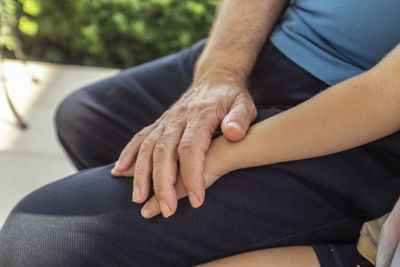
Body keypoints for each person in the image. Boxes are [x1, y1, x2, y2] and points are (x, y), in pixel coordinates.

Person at [0, 0, 399, 266]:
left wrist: (220, 155)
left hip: (365, 123)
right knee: (85, 118)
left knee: (37, 240)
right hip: (280, 46)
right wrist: (221, 73)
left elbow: (385, 95)